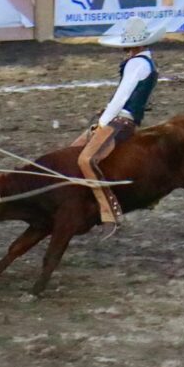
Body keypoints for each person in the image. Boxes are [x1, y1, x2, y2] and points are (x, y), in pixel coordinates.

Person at [71, 17, 163, 227]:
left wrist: (102, 123)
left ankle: (108, 209)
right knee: (73, 152)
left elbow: (122, 96)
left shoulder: (136, 63)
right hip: (123, 119)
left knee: (86, 160)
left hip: (120, 122)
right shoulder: (146, 62)